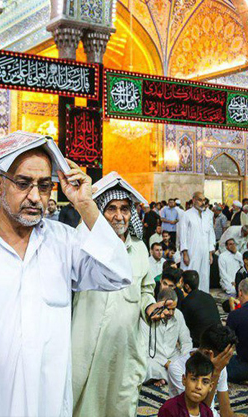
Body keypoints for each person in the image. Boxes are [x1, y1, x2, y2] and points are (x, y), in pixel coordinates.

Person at [0, 137, 132, 416]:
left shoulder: (64, 242)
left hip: (44, 404)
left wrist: (86, 205)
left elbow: (117, 274)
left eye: (44, 186)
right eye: (23, 184)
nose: (35, 197)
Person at [71, 173, 173, 417]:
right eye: (111, 209)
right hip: (86, 345)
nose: (119, 216)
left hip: (125, 346)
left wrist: (151, 308)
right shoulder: (82, 241)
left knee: (121, 402)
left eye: (125, 209)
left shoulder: (138, 247)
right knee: (84, 404)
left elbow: (146, 289)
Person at [167, 324, 236, 417]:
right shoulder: (177, 367)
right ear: (208, 353)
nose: (226, 361)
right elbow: (200, 411)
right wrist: (215, 372)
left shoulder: (220, 364)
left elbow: (225, 408)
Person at [142, 286, 192, 386]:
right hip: (154, 359)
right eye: (168, 309)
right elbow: (145, 349)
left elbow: (186, 341)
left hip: (173, 358)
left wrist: (184, 360)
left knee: (193, 355)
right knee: (144, 367)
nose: (171, 313)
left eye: (173, 309)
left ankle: (162, 377)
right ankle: (176, 377)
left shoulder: (178, 315)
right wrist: (166, 363)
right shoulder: (148, 318)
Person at [158, 352, 218, 417]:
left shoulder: (207, 413)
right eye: (194, 379)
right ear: (184, 380)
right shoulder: (169, 409)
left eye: (205, 382)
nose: (198, 386)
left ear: (210, 387)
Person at [180, 192, 216, 293]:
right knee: (191, 274)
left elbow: (210, 234)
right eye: (200, 200)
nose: (202, 202)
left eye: (203, 200)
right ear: (194, 200)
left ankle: (202, 296)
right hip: (192, 250)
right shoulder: (187, 215)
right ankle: (188, 296)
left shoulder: (208, 215)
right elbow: (182, 235)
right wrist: (185, 253)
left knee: (204, 275)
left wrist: (210, 253)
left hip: (204, 251)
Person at [178, 270, 220, 346]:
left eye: (181, 283)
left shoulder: (187, 302)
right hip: (217, 338)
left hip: (200, 343)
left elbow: (184, 326)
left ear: (187, 286)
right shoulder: (209, 296)